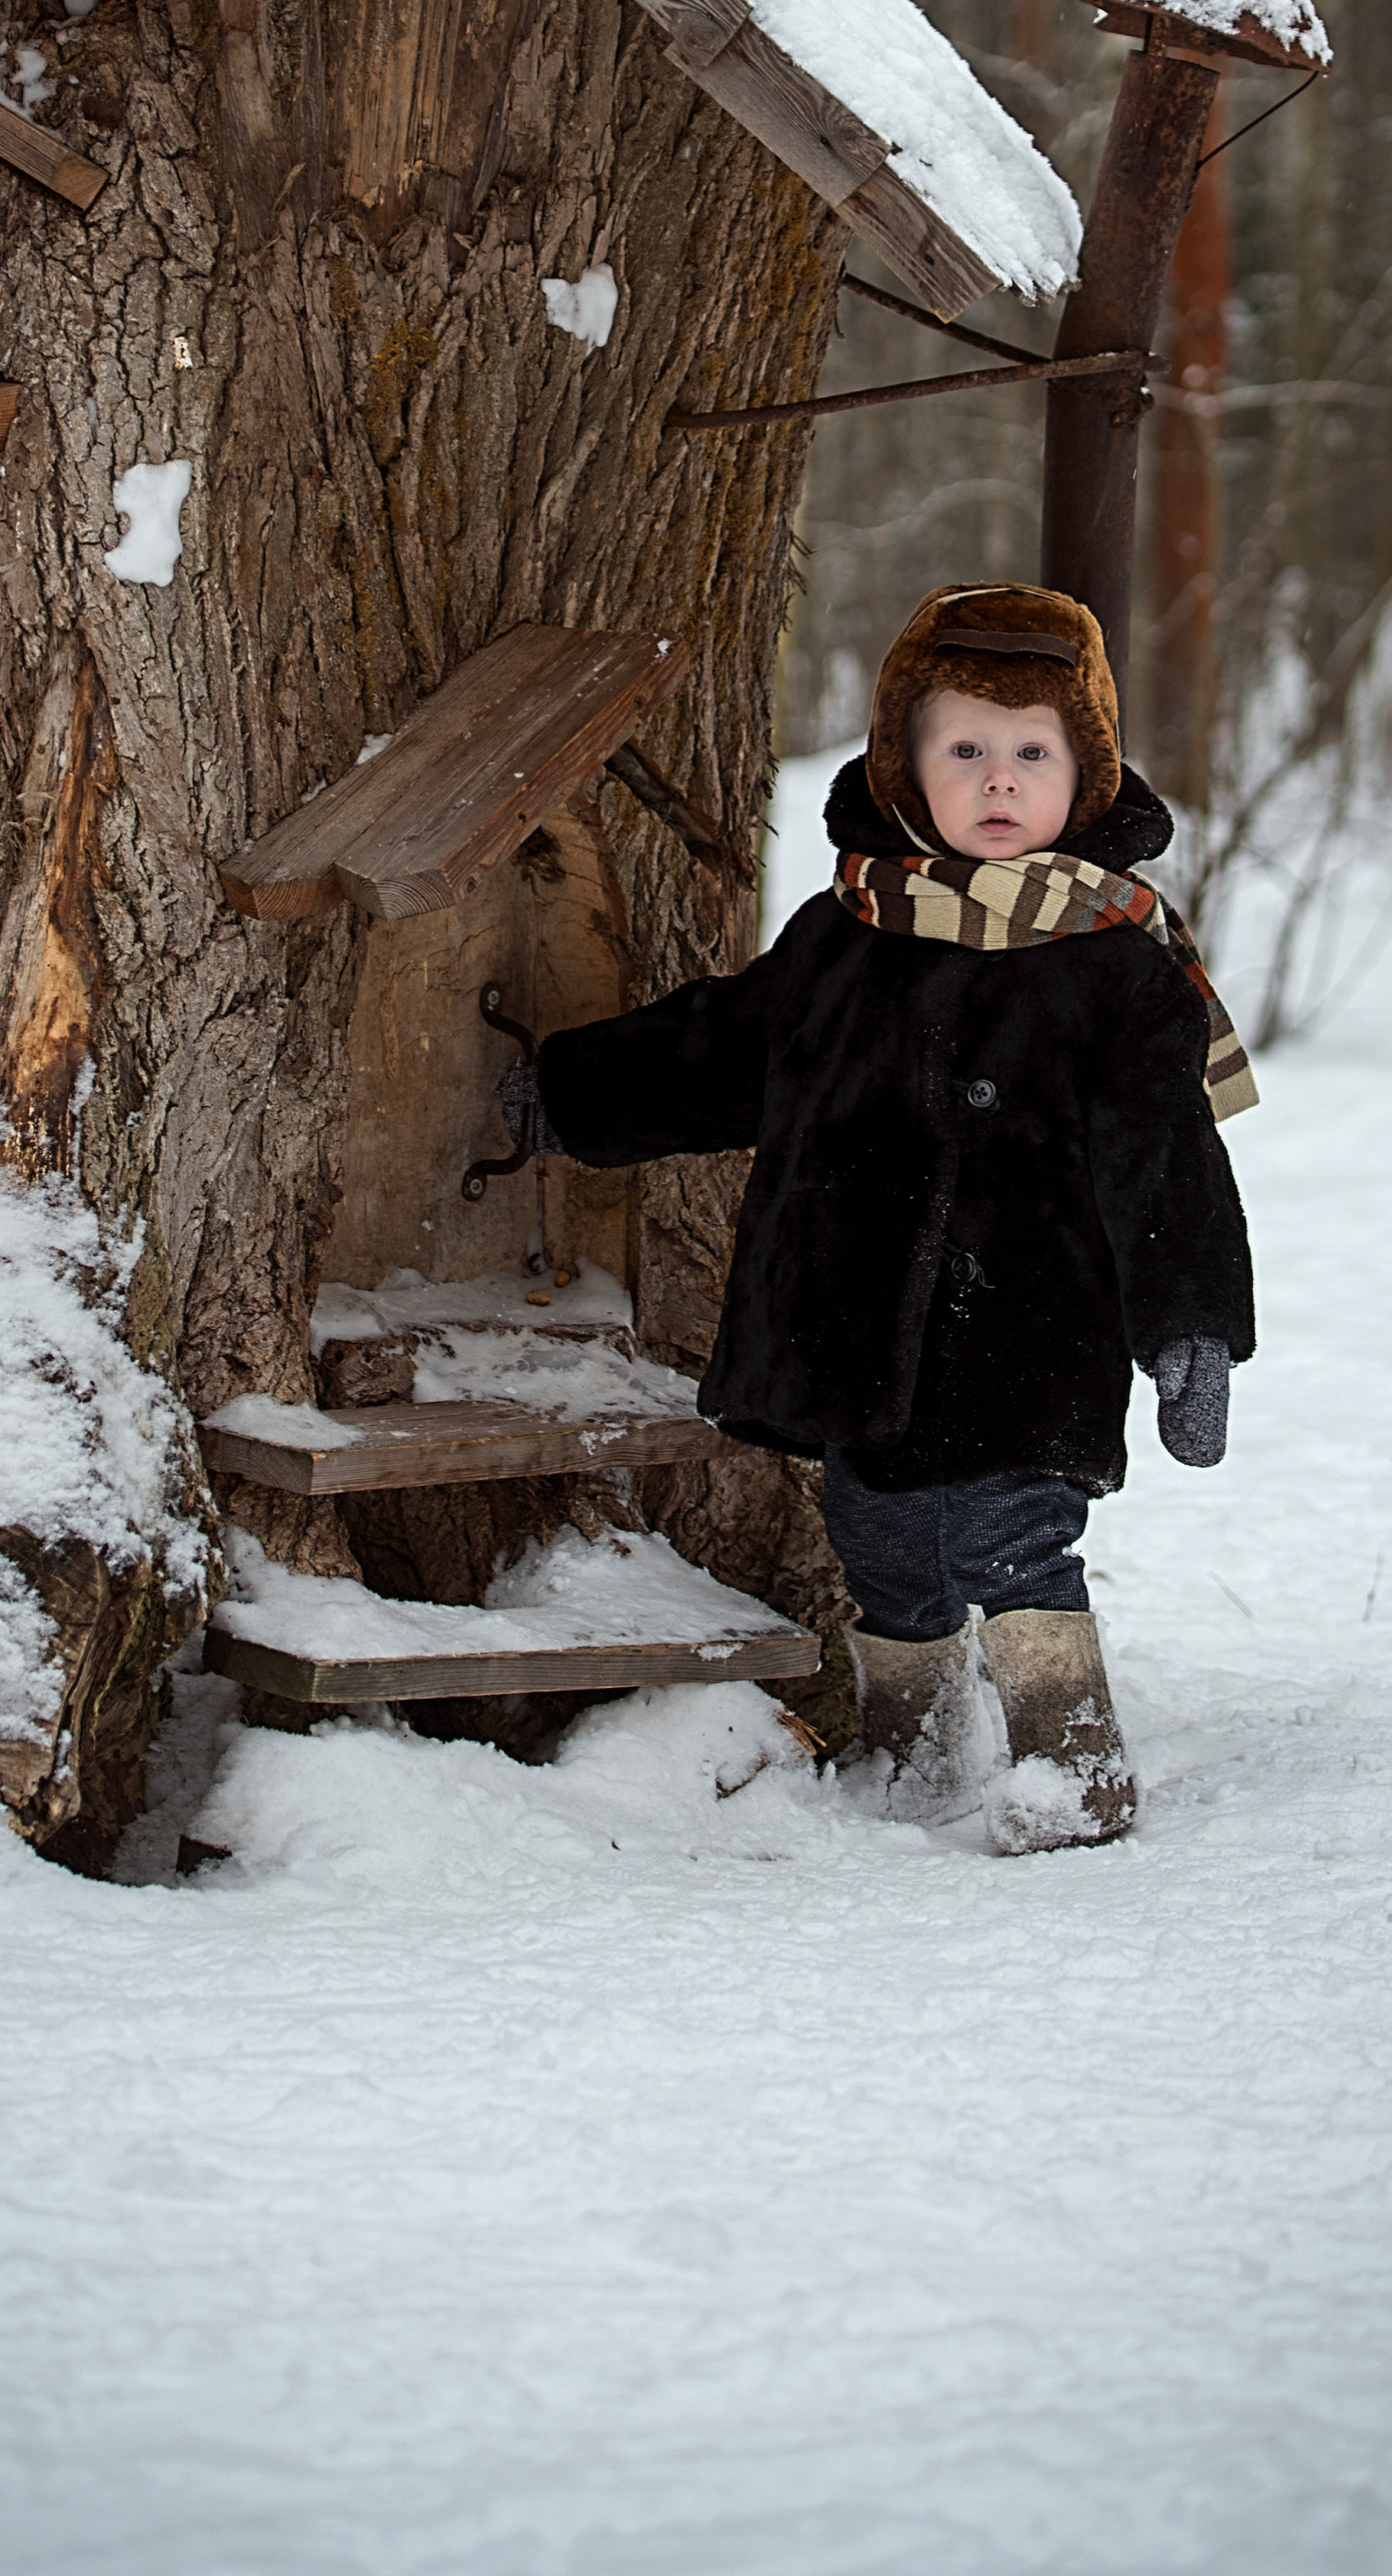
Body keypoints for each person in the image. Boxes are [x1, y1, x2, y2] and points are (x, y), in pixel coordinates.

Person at [506, 583, 1255, 1855]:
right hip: (846, 1320)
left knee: (1015, 1540)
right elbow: (726, 1047)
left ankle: (1073, 1764)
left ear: (1087, 776)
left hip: (1032, 1325)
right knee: (879, 1539)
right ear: (904, 767)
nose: (999, 779)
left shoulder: (1114, 961)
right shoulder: (847, 931)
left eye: (1034, 753)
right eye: (964, 749)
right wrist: (570, 1092)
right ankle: (914, 1744)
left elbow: (1168, 1154)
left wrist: (1187, 1330)